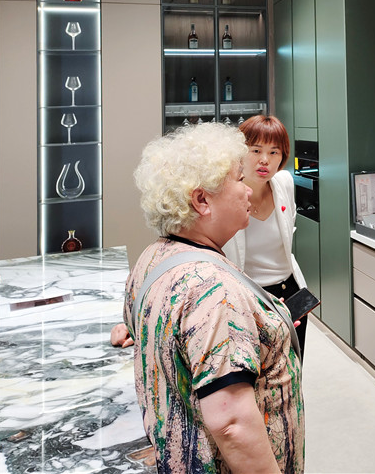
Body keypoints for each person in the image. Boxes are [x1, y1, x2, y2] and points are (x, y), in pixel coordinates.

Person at [123, 123, 304, 473]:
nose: (248, 190)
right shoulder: (214, 291)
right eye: (239, 179)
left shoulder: (152, 258)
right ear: (202, 201)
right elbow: (232, 425)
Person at [222, 115, 310, 354]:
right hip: (250, 296)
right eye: (256, 150)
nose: (265, 160)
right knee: (259, 370)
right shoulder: (226, 195)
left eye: (274, 152)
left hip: (291, 291)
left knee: (294, 364)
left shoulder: (285, 183)